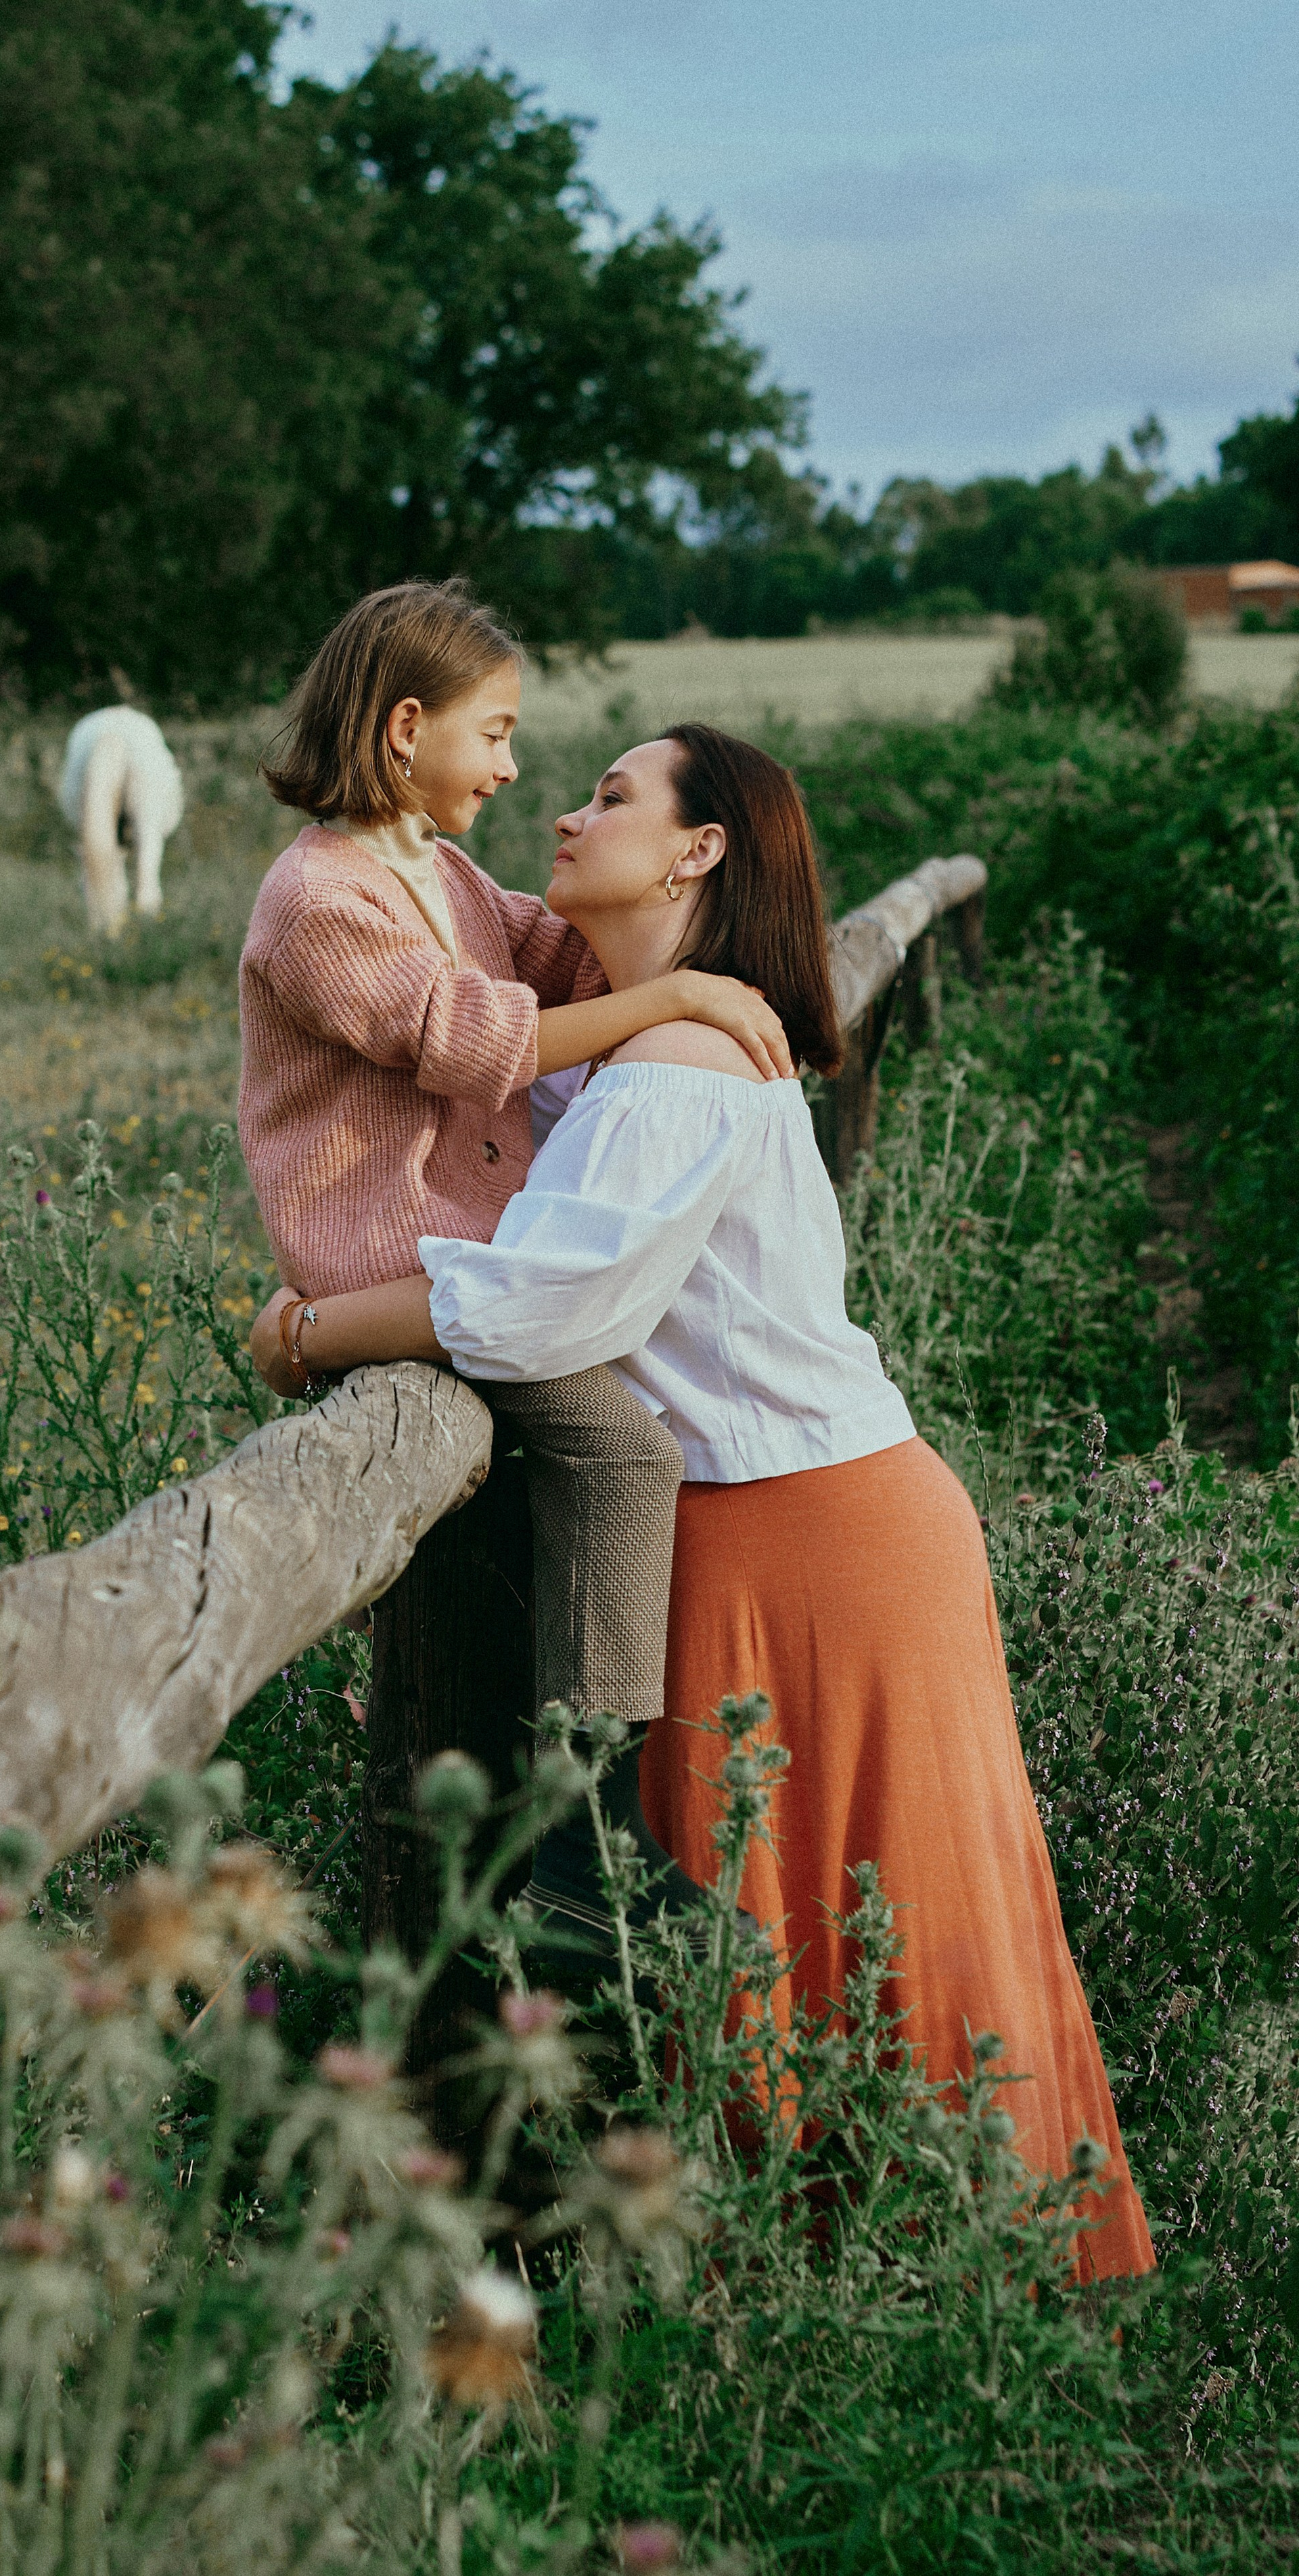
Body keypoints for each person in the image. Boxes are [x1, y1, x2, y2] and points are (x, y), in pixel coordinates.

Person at [250, 719, 1155, 2281]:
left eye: (611, 795)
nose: (564, 811)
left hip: (809, 1538)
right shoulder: (635, 1052)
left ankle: (938, 2278)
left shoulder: (672, 1074)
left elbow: (539, 1306)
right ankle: (871, 2285)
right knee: (800, 1926)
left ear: (697, 850)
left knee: (857, 1917)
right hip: (786, 1524)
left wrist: (307, 1331)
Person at [238, 581, 796, 1936]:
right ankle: (585, 1849)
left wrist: (689, 944)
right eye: (492, 734)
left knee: (541, 1501)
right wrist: (678, 992)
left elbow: (559, 961)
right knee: (622, 1456)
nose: (507, 768)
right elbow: (470, 1039)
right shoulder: (319, 899)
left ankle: (551, 1840)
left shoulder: (441, 876)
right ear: (404, 728)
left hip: (464, 1262)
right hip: (398, 1270)